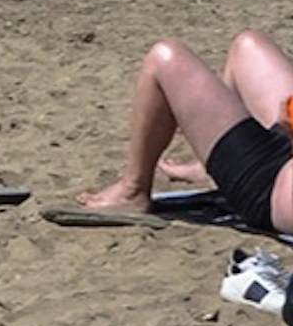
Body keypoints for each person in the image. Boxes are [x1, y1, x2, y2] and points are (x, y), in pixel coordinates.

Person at [80, 29, 293, 232]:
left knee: (163, 59)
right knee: (247, 46)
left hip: (269, 190)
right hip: (284, 155)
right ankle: (208, 166)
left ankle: (132, 190)